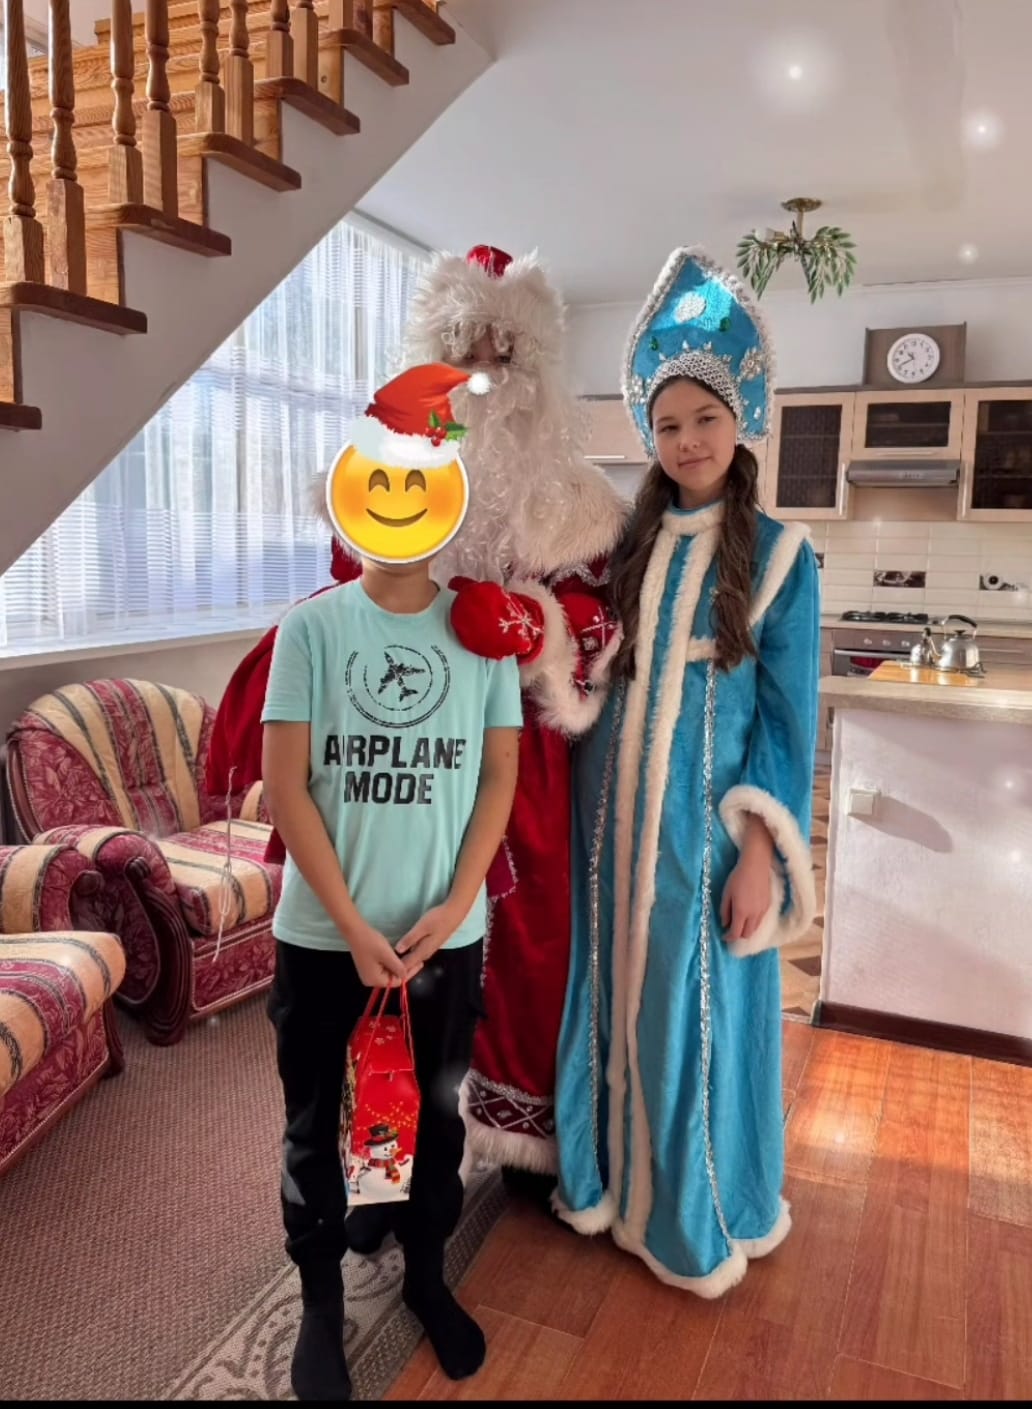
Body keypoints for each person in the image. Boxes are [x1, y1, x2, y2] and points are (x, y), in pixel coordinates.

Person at [552, 247, 821, 1299]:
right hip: (605, 834)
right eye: (666, 424)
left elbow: (787, 723)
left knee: (691, 1016)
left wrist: (757, 852)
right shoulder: (623, 542)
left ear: (738, 420)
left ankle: (692, 1214)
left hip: (702, 838)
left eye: (704, 418)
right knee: (608, 997)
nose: (686, 441)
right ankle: (605, 1184)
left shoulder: (783, 555)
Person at [262, 362, 522, 1400]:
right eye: (377, 480)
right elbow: (287, 785)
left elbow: (497, 774)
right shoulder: (312, 629)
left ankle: (422, 1276)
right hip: (324, 937)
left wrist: (455, 906)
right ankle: (320, 1304)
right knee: (312, 1120)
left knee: (428, 1120)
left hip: (440, 938)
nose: (396, 502)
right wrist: (348, 919)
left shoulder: (481, 634)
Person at [401, 244, 626, 1191]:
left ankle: (521, 1135)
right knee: (404, 944)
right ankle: (395, 1155)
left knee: (530, 935)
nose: (488, 375)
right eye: (468, 351)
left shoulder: (578, 499)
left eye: (509, 354)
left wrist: (537, 624)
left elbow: (603, 613)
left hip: (525, 747)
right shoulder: (394, 474)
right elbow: (345, 591)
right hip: (410, 739)